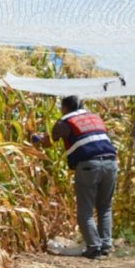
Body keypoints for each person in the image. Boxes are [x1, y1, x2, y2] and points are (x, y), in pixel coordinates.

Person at [34, 96, 118, 259]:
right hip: (111, 163)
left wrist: (36, 139)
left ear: (65, 108)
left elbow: (49, 143)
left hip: (88, 165)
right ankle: (105, 245)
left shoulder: (64, 122)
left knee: (85, 210)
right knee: (105, 206)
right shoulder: (94, 117)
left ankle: (93, 247)